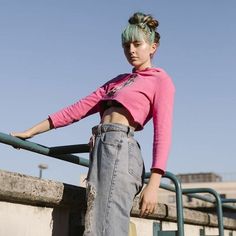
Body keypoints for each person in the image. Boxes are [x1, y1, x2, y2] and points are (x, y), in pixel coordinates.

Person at [11, 12, 175, 236]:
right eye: (126, 45)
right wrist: (31, 132)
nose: (131, 50)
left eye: (137, 44)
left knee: (107, 226)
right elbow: (76, 110)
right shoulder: (117, 81)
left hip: (121, 148)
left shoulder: (160, 80)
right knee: (96, 224)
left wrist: (154, 183)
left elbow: (163, 132)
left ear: (153, 47)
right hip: (100, 149)